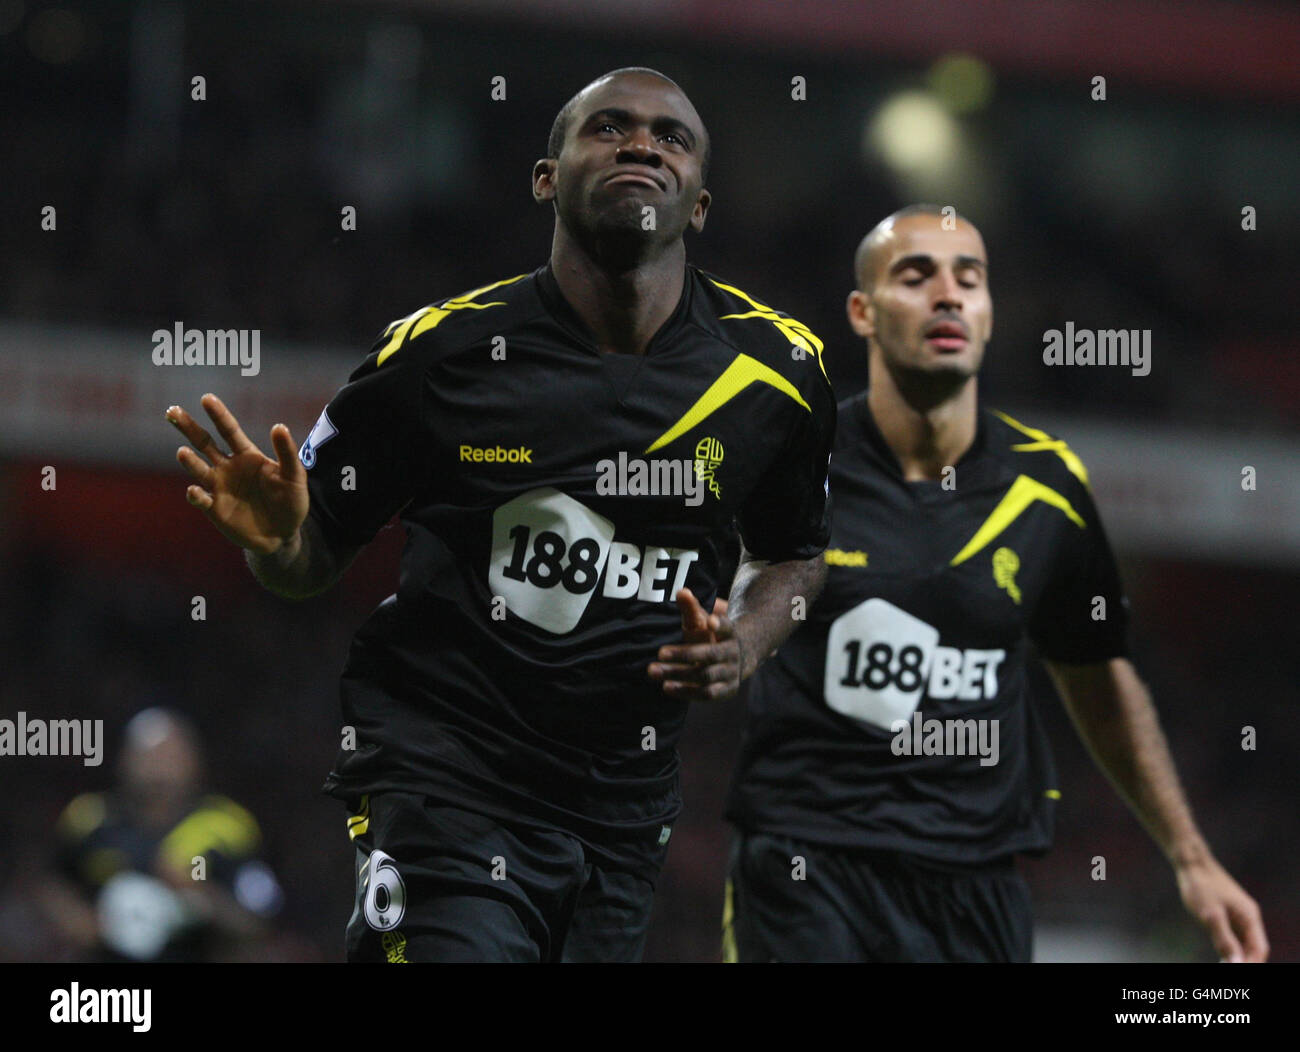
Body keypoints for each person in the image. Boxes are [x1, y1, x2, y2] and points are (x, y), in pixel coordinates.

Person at [165, 68, 834, 962]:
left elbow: (798, 555)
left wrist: (746, 642)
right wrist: (282, 539)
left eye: (670, 138)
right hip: (446, 782)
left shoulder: (781, 376)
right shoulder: (440, 354)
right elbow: (308, 558)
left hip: (624, 818)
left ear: (700, 205)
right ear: (546, 177)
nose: (642, 144)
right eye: (609, 127)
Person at [722, 205, 1268, 963]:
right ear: (863, 310)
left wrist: (1191, 857)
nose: (947, 295)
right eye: (916, 276)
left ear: (987, 312)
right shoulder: (796, 462)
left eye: (968, 280)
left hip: (978, 890)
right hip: (807, 869)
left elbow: (1099, 678)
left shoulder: (1047, 485)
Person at [42, 708, 282, 961]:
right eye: (148, 756)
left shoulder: (227, 826)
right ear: (124, 760)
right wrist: (76, 918)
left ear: (193, 760)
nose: (159, 768)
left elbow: (259, 921)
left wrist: (199, 893)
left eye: (170, 756)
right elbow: (51, 881)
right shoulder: (89, 818)